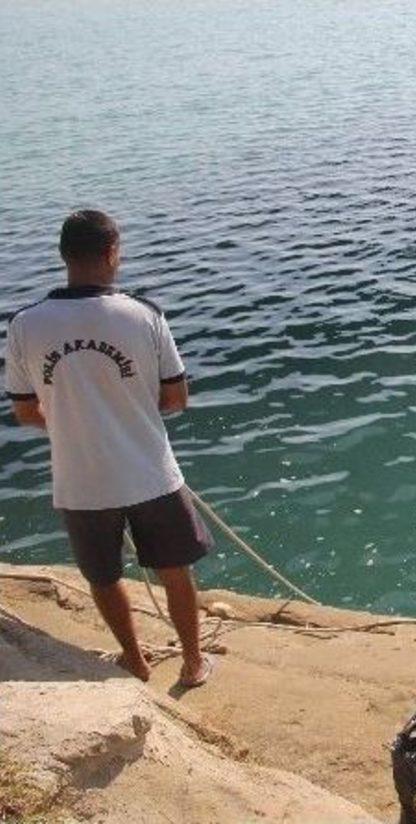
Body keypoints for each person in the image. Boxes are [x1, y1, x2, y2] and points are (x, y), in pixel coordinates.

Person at [4, 210, 213, 686]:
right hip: (150, 472)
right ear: (112, 252)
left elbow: (25, 410)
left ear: (63, 255)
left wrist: (75, 422)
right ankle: (193, 663)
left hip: (80, 481)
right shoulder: (143, 314)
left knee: (102, 576)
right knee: (174, 569)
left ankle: (135, 660)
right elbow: (176, 399)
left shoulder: (25, 325)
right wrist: (127, 410)